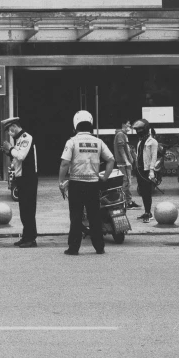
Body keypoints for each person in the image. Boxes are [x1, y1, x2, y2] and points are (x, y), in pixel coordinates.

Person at [58, 110, 116, 256]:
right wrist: (105, 177)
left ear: (75, 125)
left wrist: (61, 181)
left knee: (76, 216)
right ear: (90, 125)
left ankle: (73, 248)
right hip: (93, 184)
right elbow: (111, 160)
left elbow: (65, 163)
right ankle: (99, 247)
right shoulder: (98, 142)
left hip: (76, 184)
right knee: (94, 216)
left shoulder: (71, 142)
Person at [0, 117, 39, 248]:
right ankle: (26, 236)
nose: (8, 132)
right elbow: (17, 159)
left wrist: (10, 149)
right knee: (24, 210)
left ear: (15, 126)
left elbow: (21, 155)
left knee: (28, 209)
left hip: (29, 178)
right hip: (21, 178)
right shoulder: (19, 140)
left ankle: (31, 239)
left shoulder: (26, 137)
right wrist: (8, 152)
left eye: (9, 129)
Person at [133, 119, 159, 223]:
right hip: (139, 170)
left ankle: (149, 213)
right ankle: (146, 211)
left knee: (148, 192)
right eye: (137, 130)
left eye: (140, 129)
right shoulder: (140, 141)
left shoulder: (152, 142)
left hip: (147, 170)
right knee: (143, 192)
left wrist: (152, 170)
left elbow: (154, 157)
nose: (138, 131)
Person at [113, 119, 140, 210]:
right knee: (125, 183)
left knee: (127, 182)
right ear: (123, 124)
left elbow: (125, 148)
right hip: (123, 164)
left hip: (125, 163)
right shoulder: (120, 134)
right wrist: (127, 161)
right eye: (128, 123)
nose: (130, 125)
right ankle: (125, 202)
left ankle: (129, 201)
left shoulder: (123, 134)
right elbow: (121, 149)